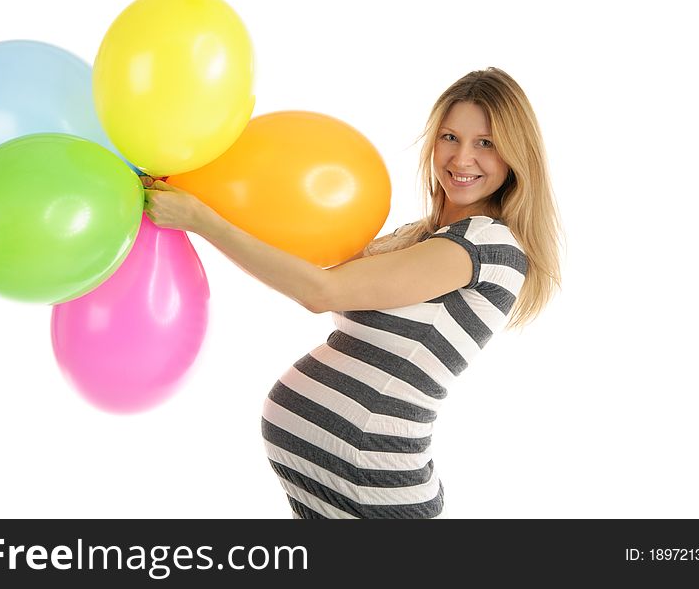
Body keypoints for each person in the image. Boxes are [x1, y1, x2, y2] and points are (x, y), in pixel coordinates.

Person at [142, 67, 562, 519]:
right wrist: (200, 198)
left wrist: (203, 221)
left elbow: (321, 291)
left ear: (516, 155)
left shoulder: (486, 244)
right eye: (449, 137)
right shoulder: (420, 235)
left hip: (376, 491)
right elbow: (304, 268)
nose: (461, 159)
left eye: (486, 143)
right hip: (331, 491)